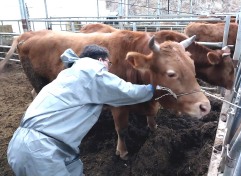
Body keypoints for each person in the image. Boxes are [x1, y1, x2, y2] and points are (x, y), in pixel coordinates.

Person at [7, 44, 155, 176]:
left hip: (23, 145)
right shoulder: (93, 72)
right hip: (42, 151)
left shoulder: (69, 74)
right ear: (101, 60)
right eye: (109, 63)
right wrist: (154, 88)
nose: (109, 68)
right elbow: (128, 92)